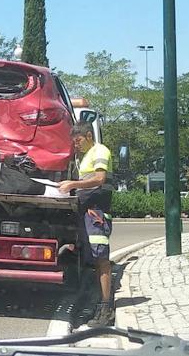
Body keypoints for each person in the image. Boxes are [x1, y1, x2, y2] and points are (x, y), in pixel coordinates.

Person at [59, 121, 115, 327]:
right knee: (94, 258)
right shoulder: (84, 157)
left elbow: (100, 178)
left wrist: (74, 184)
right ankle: (100, 305)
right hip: (89, 212)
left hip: (96, 213)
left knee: (101, 259)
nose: (77, 145)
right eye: (74, 142)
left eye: (79, 140)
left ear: (89, 135)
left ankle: (106, 308)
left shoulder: (100, 150)